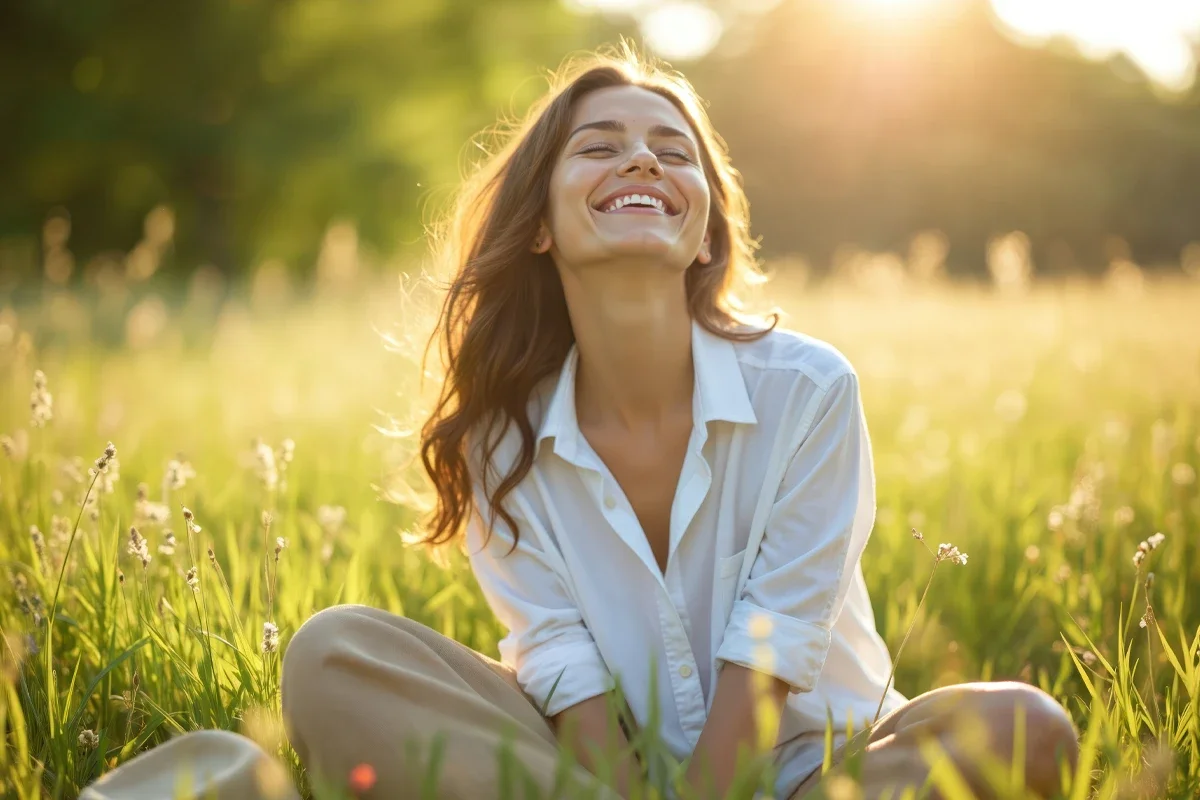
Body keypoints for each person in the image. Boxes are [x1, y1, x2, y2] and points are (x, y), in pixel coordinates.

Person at [82, 45, 1079, 800]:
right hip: (600, 774)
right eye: (600, 147)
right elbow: (560, 669)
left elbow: (771, 656)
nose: (641, 159)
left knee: (1025, 728)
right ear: (540, 224)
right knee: (332, 651)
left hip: (813, 770)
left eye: (673, 152)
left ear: (704, 231)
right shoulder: (497, 436)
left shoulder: (809, 391)